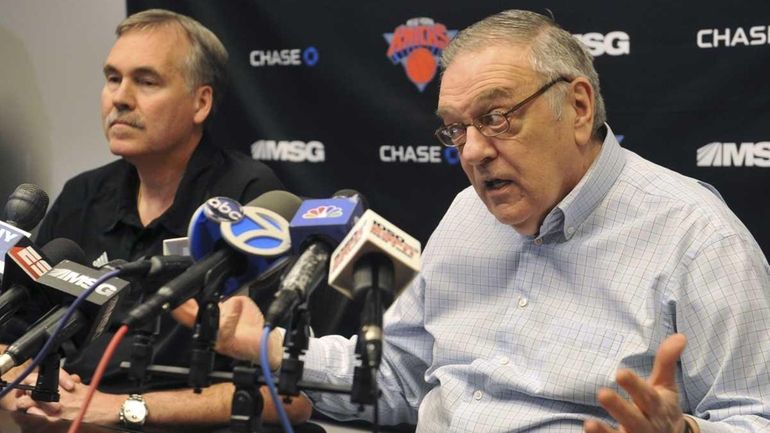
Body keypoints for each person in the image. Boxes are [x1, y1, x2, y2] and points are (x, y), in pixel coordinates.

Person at [206, 9, 770, 433]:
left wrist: (687, 431)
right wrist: (269, 344)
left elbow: (754, 416)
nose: (472, 151)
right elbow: (398, 377)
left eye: (497, 118)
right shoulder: (465, 216)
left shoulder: (698, 238)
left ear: (577, 107)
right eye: (456, 129)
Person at [0, 9, 312, 428]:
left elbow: (290, 396)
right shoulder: (81, 196)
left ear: (201, 102)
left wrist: (121, 409)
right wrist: (28, 381)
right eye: (113, 78)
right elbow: (11, 335)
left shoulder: (252, 202)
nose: (119, 98)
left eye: (146, 82)